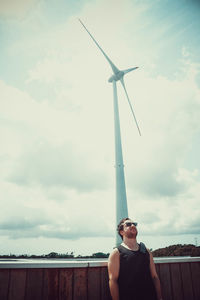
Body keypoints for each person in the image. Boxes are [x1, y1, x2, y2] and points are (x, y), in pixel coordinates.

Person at [108, 218, 163, 300]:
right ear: (121, 232)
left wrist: (160, 297)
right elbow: (113, 280)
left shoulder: (147, 251)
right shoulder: (116, 253)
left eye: (134, 224)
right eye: (128, 224)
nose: (133, 225)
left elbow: (154, 277)